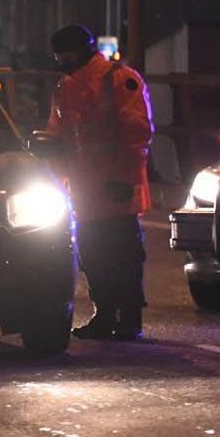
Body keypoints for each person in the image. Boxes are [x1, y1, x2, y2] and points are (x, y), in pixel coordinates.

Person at [45, 24, 154, 341]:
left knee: (123, 254)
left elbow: (137, 133)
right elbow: (56, 134)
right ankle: (106, 314)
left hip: (114, 189)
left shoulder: (118, 79)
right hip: (85, 190)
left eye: (65, 53)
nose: (61, 59)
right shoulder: (66, 87)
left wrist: (123, 178)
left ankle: (129, 317)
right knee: (94, 254)